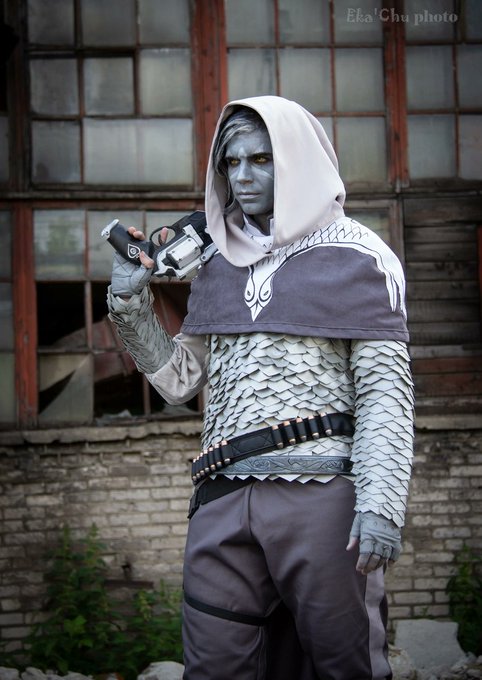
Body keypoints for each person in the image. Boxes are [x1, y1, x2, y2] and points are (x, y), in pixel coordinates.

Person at [107, 96, 414, 680]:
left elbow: (385, 396)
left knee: (343, 664)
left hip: (321, 495)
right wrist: (130, 302)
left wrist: (381, 507)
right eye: (231, 162)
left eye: (261, 159)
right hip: (220, 493)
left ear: (297, 159)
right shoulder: (216, 260)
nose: (242, 176)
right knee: (215, 665)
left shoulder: (362, 256)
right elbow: (179, 380)